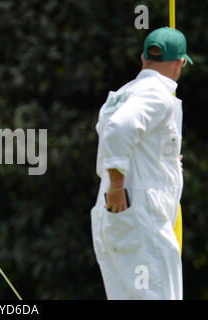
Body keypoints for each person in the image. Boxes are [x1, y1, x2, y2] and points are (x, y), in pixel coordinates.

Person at [90, 27, 192, 300]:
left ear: (143, 58)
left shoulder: (124, 92)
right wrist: (117, 185)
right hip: (140, 214)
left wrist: (165, 161)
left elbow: (127, 137)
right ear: (179, 62)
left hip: (122, 216)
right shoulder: (156, 93)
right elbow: (120, 128)